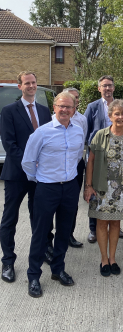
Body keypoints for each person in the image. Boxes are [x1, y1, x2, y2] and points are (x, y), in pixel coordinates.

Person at [22, 92, 84, 298]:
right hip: (47, 188)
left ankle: (58, 269)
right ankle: (33, 276)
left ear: (74, 109)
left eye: (69, 107)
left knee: (64, 232)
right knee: (40, 233)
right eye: (61, 106)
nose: (65, 110)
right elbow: (28, 162)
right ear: (54, 108)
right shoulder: (41, 133)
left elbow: (77, 157)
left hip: (70, 187)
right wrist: (40, 179)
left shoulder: (78, 131)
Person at [0, 71, 52, 284]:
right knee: (10, 218)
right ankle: (8, 261)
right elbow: (9, 144)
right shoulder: (9, 111)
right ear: (19, 86)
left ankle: (42, 251)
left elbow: (50, 141)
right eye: (27, 83)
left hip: (40, 176)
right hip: (17, 174)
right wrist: (31, 164)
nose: (31, 86)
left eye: (34, 83)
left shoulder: (44, 111)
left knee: (40, 217)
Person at [84, 100, 123, 276]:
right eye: (116, 114)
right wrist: (88, 186)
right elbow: (90, 161)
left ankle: (113, 258)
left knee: (115, 223)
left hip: (122, 189)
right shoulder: (99, 135)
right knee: (101, 223)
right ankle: (104, 259)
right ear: (110, 116)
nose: (120, 117)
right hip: (101, 188)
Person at [84, 76, 123, 243]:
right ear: (99, 88)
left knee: (115, 193)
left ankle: (116, 226)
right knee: (95, 194)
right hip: (97, 157)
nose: (107, 89)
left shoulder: (120, 105)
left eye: (110, 86)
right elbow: (86, 131)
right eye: (104, 86)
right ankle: (93, 229)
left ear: (114, 88)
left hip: (116, 159)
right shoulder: (92, 107)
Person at [62, 87, 87, 249]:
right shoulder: (52, 119)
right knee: (56, 203)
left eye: (77, 97)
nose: (75, 100)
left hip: (76, 165)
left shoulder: (82, 119)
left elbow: (83, 142)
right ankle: (56, 236)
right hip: (58, 167)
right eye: (71, 97)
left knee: (72, 202)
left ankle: (69, 234)